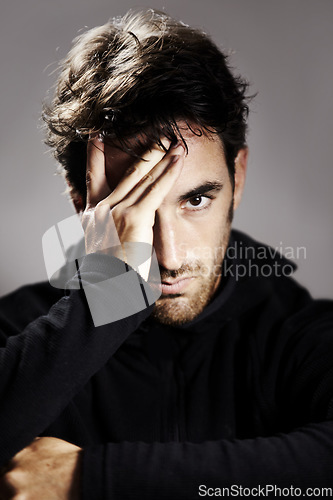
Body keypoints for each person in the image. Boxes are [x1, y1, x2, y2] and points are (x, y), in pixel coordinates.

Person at [0, 8, 333, 499]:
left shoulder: (298, 333)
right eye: (134, 210)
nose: (171, 256)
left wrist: (90, 479)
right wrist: (109, 293)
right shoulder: (19, 340)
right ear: (83, 202)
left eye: (196, 199)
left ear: (236, 178)